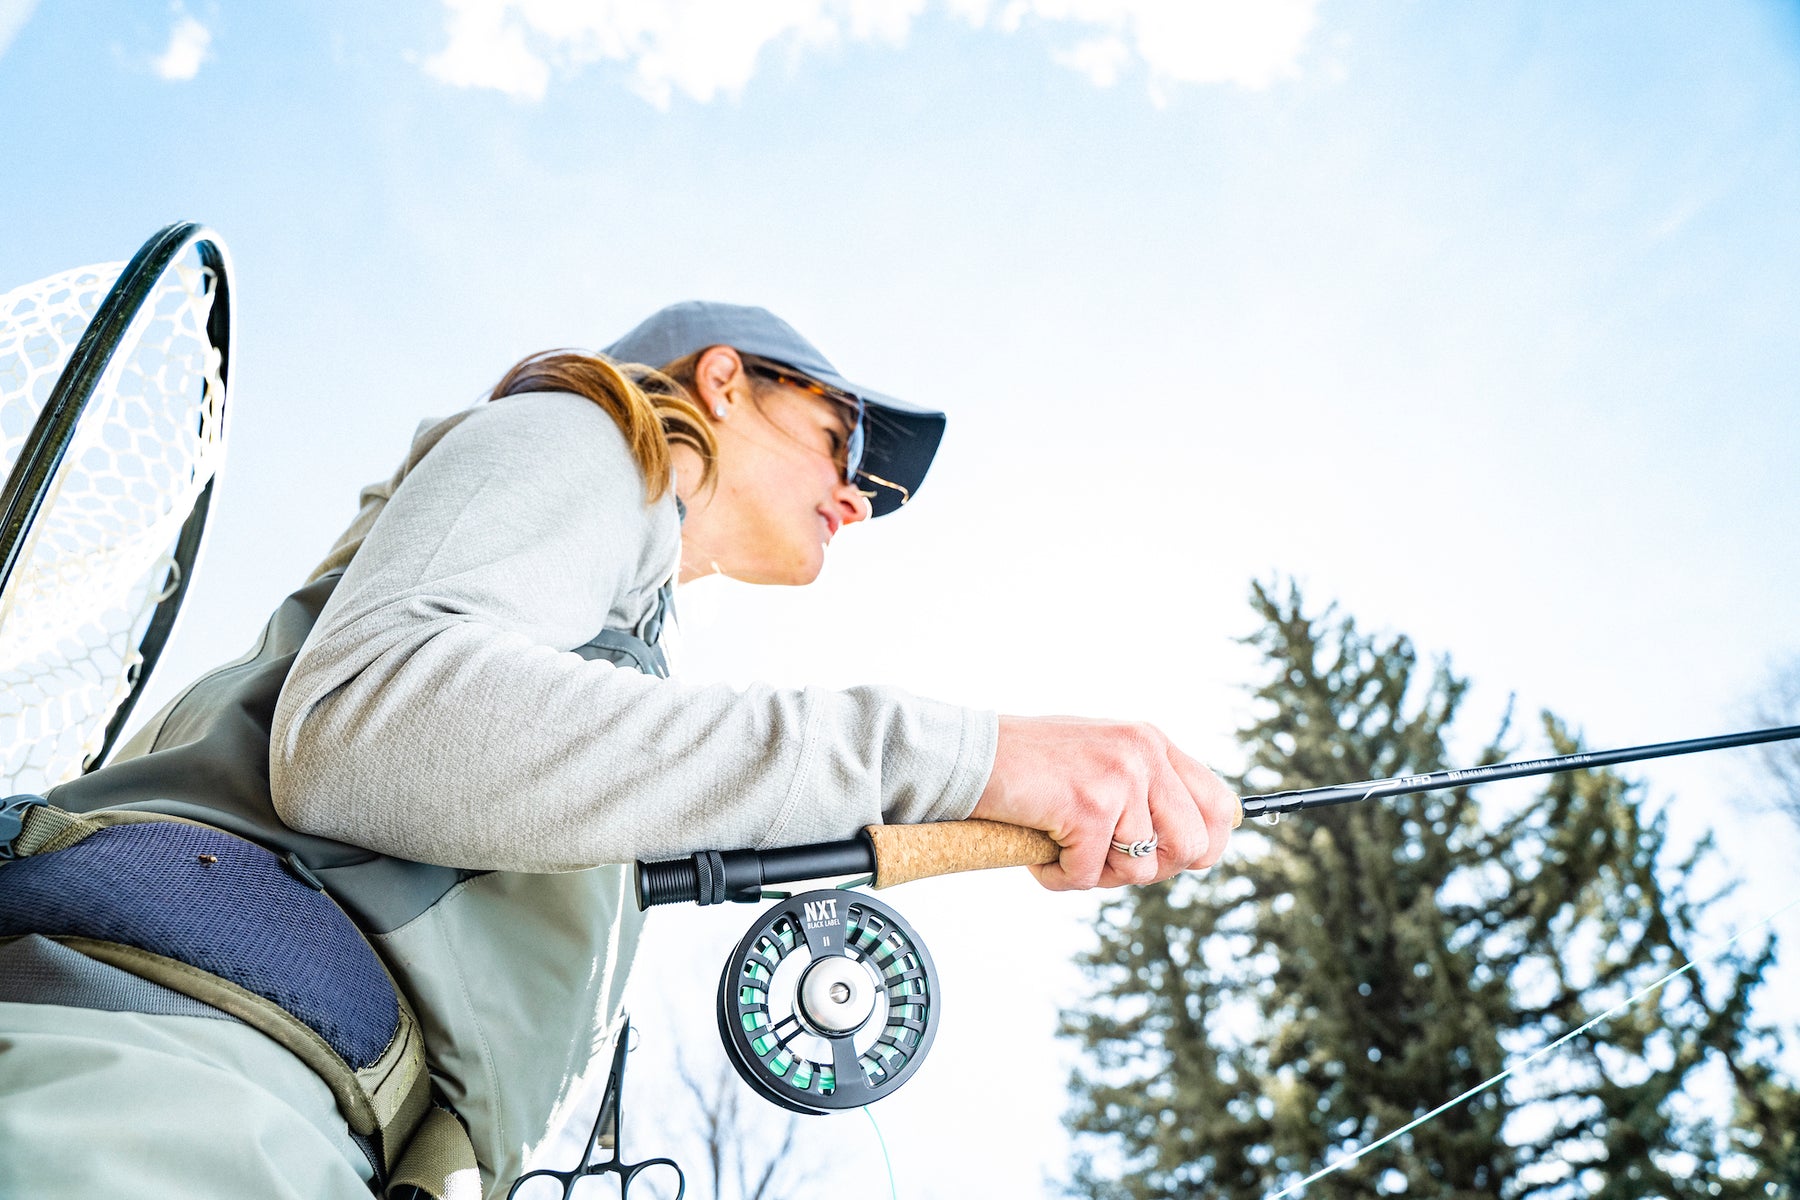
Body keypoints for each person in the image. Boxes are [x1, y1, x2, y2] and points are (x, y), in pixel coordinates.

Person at [0, 301, 1238, 1199]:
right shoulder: (584, 432)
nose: (862, 496)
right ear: (723, 382)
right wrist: (964, 759)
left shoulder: (614, 637)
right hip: (174, 1073)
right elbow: (371, 725)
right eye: (845, 440)